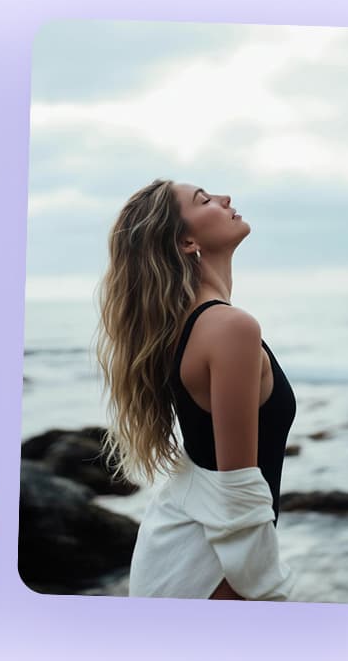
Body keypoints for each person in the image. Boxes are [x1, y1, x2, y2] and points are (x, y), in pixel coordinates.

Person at [96, 179, 297, 601]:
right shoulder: (228, 327)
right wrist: (266, 587)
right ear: (187, 240)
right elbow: (238, 489)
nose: (226, 198)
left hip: (186, 546)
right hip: (207, 565)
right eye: (204, 200)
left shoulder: (190, 326)